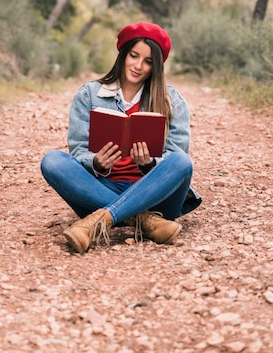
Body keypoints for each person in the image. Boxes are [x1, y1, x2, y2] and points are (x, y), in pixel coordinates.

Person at [40, 21, 201, 254]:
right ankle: (144, 221)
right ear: (123, 54)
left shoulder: (172, 100)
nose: (138, 66)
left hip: (155, 196)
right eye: (134, 56)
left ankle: (104, 217)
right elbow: (78, 152)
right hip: (100, 188)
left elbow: (176, 155)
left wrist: (149, 164)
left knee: (182, 162)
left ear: (156, 66)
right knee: (52, 160)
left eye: (148, 61)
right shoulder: (89, 94)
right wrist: (96, 163)